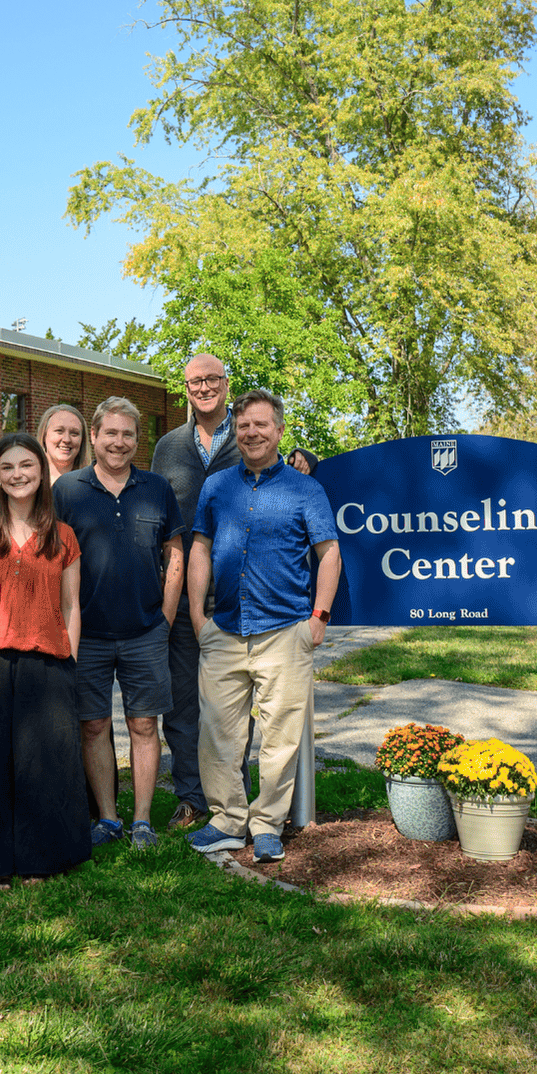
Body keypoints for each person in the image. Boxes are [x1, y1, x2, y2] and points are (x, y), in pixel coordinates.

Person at [183, 389, 341, 862]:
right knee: (217, 736)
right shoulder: (216, 487)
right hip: (225, 630)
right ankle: (227, 821)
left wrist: (319, 618)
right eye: (244, 425)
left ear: (279, 430)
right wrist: (197, 616)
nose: (252, 432)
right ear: (237, 430)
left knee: (279, 738)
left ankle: (268, 823)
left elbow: (328, 554)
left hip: (285, 631)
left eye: (261, 424)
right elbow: (199, 551)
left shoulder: (305, 489)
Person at [0, 432, 90, 883]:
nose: (17, 474)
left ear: (41, 472)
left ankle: (39, 862)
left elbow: (71, 607)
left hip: (46, 663)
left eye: (26, 465)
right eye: (7, 468)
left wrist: (70, 663)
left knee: (41, 767)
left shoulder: (62, 535)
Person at [54, 396, 185, 850]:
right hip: (86, 634)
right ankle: (108, 819)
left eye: (128, 434)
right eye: (110, 433)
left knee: (144, 726)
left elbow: (176, 553)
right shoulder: (67, 490)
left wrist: (165, 618)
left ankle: (143, 820)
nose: (119, 442)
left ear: (137, 440)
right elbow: (51, 559)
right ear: (94, 437)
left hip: (145, 631)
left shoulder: (157, 488)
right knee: (92, 726)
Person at [149, 353, 243, 829]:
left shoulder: (247, 438)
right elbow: (154, 517)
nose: (203, 387)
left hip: (237, 597)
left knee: (231, 705)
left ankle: (233, 798)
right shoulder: (168, 447)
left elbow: (282, 477)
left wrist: (308, 461)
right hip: (179, 597)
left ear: (226, 384)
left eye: (211, 379)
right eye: (194, 382)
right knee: (182, 704)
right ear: (185, 389)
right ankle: (191, 798)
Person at [37, 402, 90, 484]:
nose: (67, 439)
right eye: (59, 431)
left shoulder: (93, 484)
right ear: (44, 435)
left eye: (74, 433)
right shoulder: (30, 482)